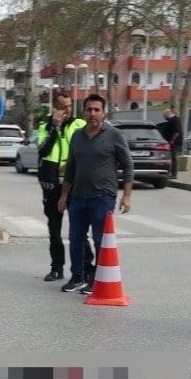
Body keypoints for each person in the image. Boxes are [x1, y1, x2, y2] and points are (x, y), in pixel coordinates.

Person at [57, 94, 134, 295]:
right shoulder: (77, 136)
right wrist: (64, 196)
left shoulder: (114, 135)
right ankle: (77, 277)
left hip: (103, 197)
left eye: (96, 110)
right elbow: (71, 168)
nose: (93, 114)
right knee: (76, 238)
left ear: (103, 112)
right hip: (78, 197)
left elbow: (127, 165)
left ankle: (98, 279)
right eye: (89, 109)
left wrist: (126, 196)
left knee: (101, 240)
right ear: (83, 112)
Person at [35, 91, 90, 281]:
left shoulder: (79, 125)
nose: (67, 110)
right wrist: (54, 129)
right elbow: (42, 151)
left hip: (74, 185)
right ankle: (57, 267)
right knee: (54, 230)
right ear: (55, 107)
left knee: (79, 230)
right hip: (52, 185)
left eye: (69, 105)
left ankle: (86, 269)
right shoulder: (44, 126)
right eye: (63, 106)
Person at [160, 109, 183, 177]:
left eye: (164, 116)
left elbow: (177, 132)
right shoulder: (175, 120)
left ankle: (173, 173)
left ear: (167, 114)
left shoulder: (174, 120)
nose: (164, 118)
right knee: (171, 157)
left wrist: (172, 140)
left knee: (173, 157)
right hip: (172, 141)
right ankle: (171, 172)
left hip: (173, 142)